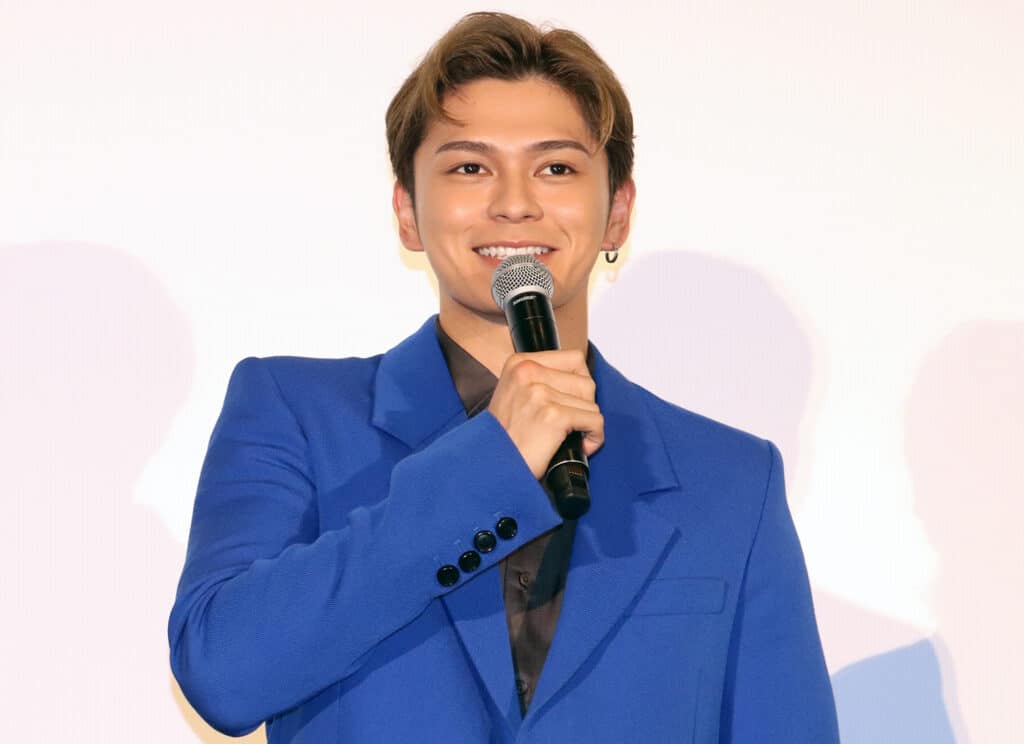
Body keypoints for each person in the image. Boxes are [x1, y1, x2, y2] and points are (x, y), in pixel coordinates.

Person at [168, 11, 839, 743]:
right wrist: (490, 462)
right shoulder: (295, 414)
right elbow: (222, 673)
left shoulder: (733, 481)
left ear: (617, 212)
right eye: (469, 168)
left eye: (556, 168)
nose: (515, 202)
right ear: (407, 212)